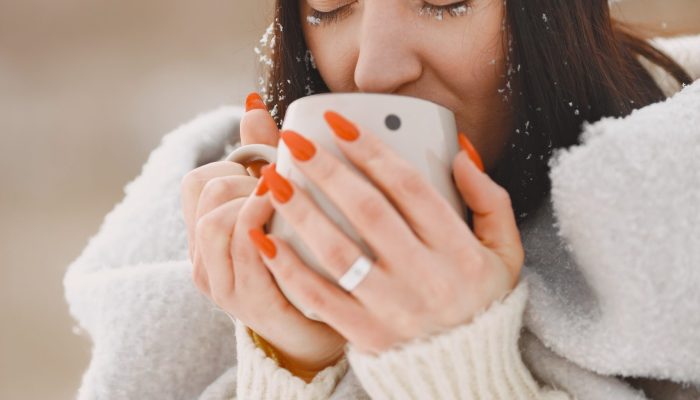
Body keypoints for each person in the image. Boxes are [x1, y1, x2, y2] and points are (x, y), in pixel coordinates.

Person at [64, 1, 700, 399]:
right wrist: (295, 357)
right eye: (332, 5)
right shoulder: (186, 241)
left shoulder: (678, 193)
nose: (373, 68)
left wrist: (455, 370)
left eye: (444, 1)